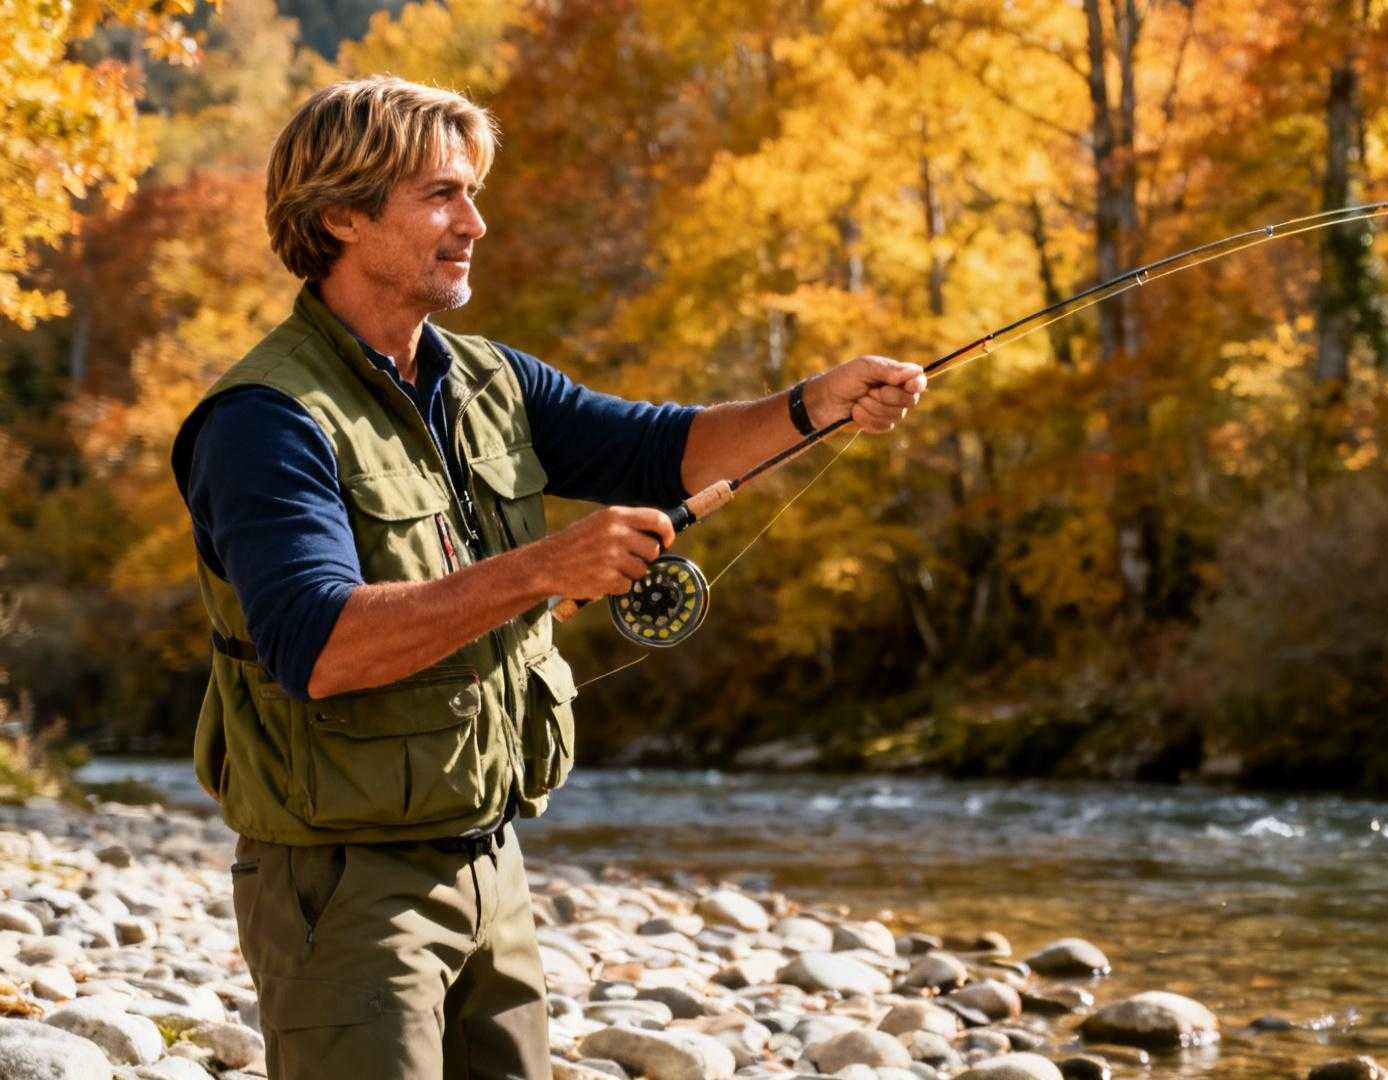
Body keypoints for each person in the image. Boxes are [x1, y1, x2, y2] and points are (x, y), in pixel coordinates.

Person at [169, 76, 926, 1078]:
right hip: (343, 886)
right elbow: (319, 646)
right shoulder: (265, 420)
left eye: (473, 195)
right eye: (442, 195)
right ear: (343, 213)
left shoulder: (493, 382)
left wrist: (810, 407)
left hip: (493, 865)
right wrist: (543, 569)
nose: (473, 224)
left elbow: (663, 451)